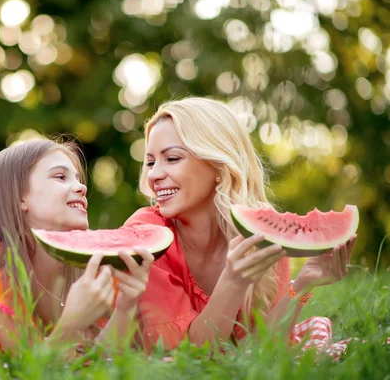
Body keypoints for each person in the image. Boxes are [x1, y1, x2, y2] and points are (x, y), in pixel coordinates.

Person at [124, 97, 356, 354]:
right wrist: (233, 281)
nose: (153, 174)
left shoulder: (262, 235)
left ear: (219, 165)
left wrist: (304, 283)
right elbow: (186, 357)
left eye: (172, 158)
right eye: (150, 162)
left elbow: (259, 351)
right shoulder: (146, 233)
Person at [0, 139, 154, 361]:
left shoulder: (91, 267)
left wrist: (126, 305)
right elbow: (24, 370)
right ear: (20, 197)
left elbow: (98, 362)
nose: (81, 186)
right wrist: (72, 324)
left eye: (78, 178)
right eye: (61, 177)